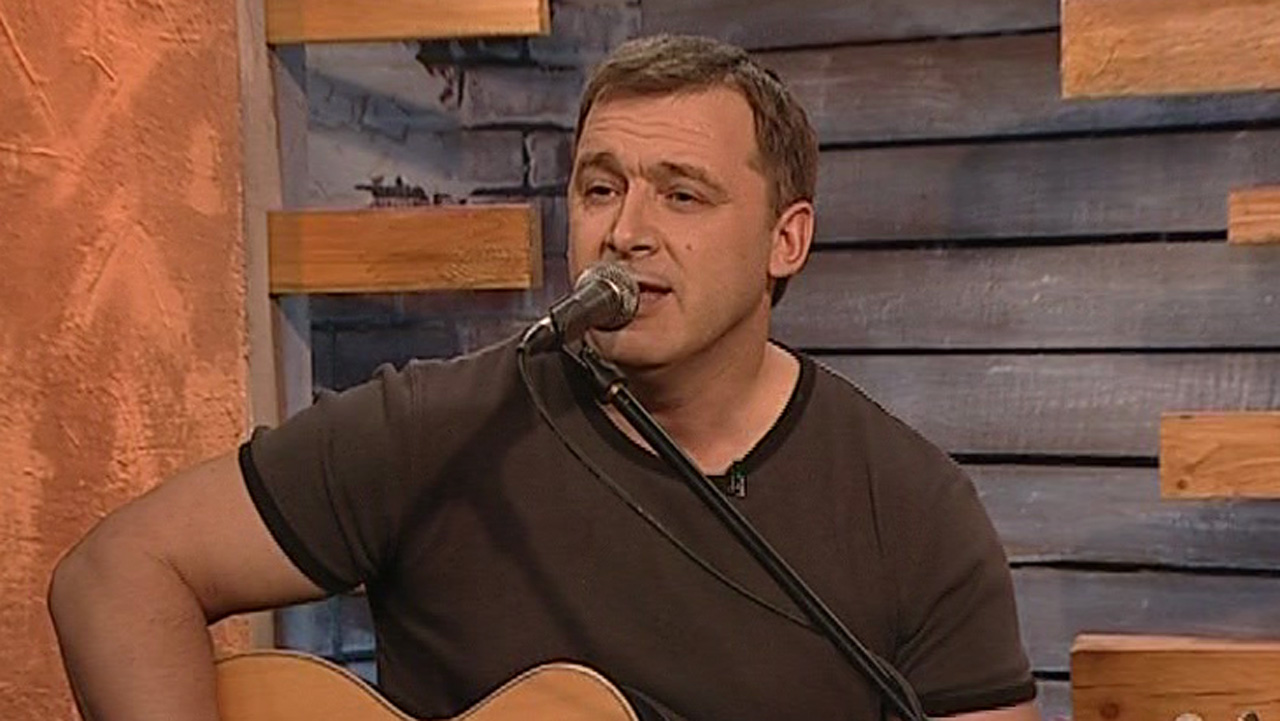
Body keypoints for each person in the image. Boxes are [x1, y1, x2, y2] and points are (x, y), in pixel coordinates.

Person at [49, 34, 1040, 721]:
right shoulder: (441, 428)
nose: (625, 230)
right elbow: (115, 575)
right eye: (600, 187)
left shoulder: (910, 510)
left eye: (682, 196)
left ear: (786, 240)